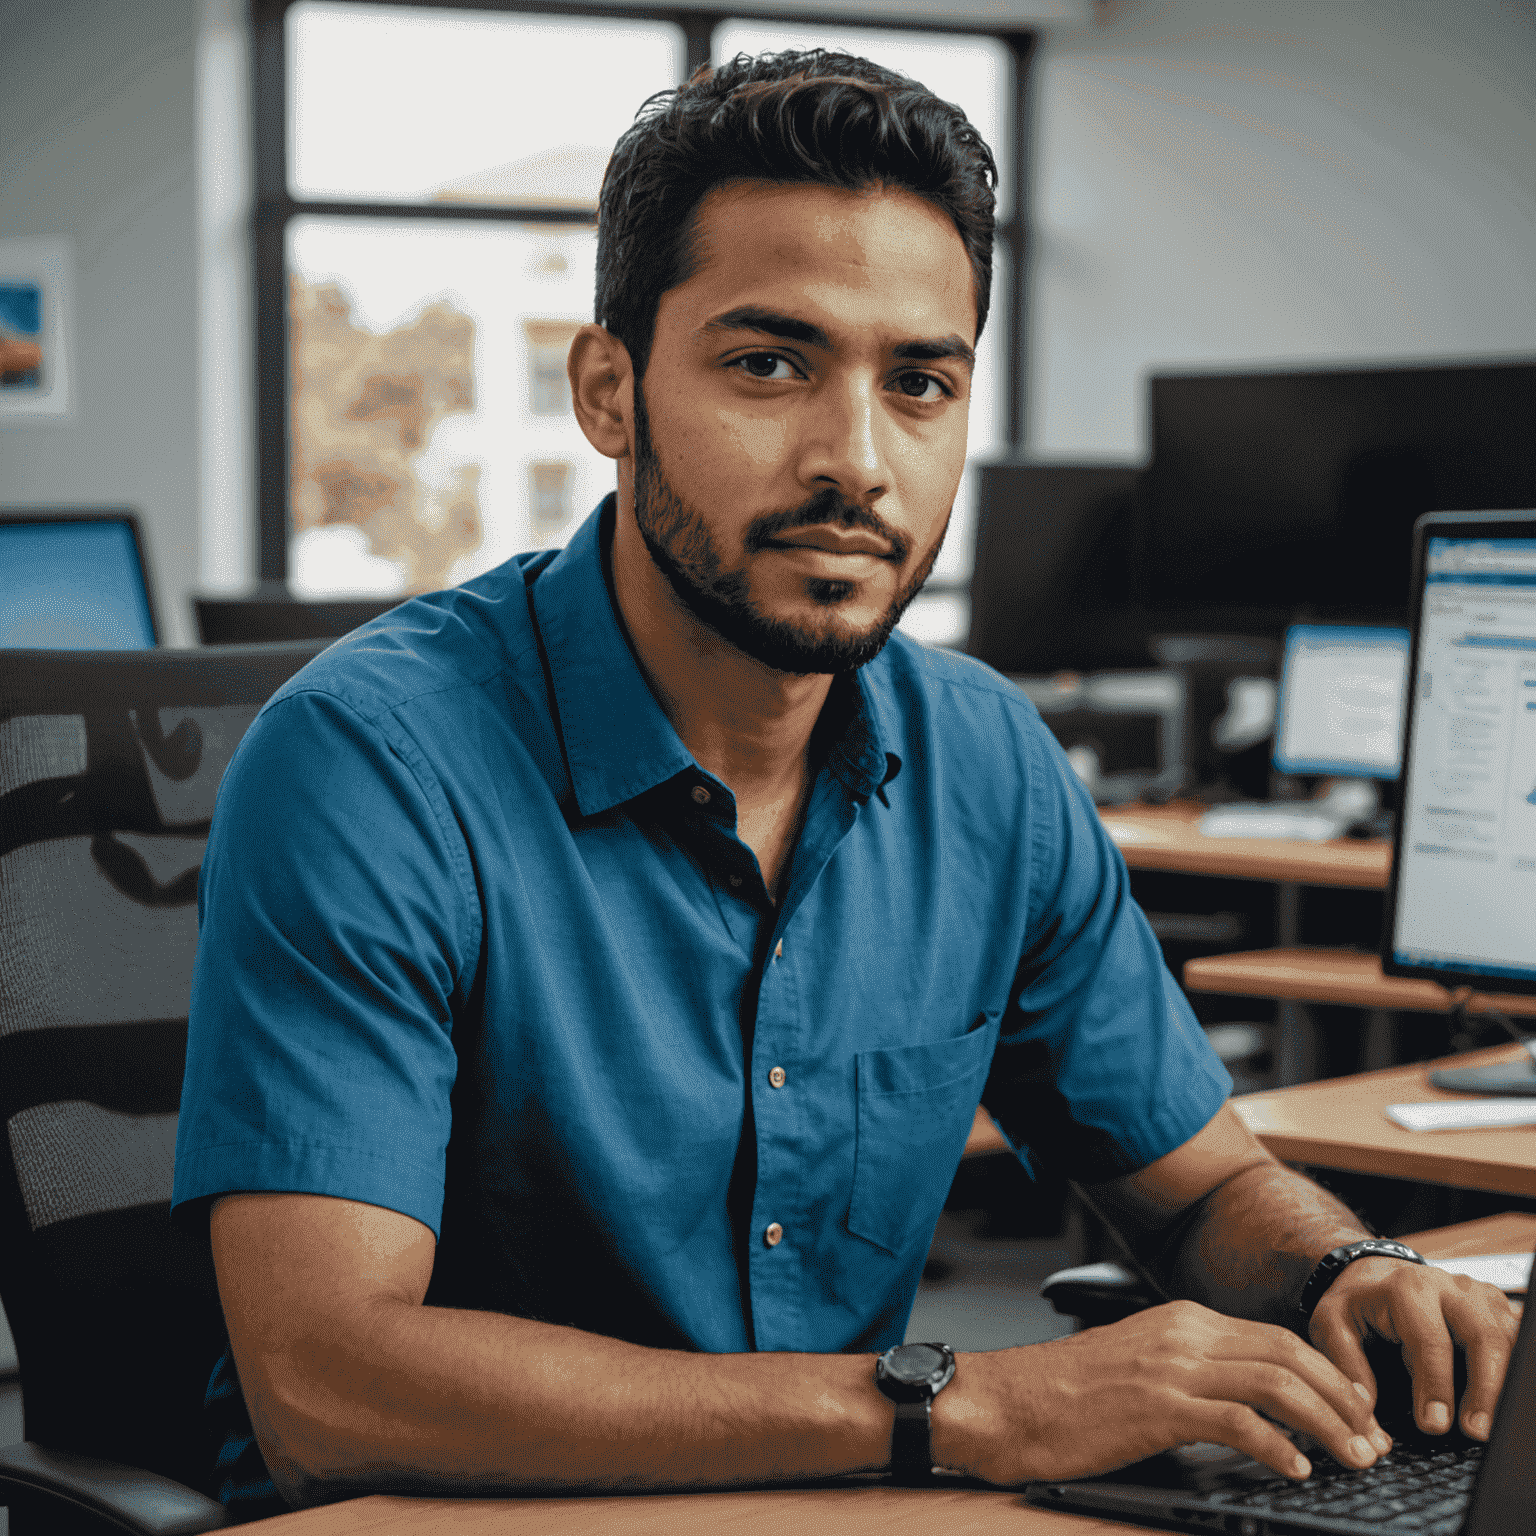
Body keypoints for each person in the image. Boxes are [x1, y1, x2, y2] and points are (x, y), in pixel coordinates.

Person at [172, 50, 1518, 1517]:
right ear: (610, 391)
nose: (857, 462)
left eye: (921, 382)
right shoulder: (372, 765)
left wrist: (1351, 1271)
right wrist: (967, 1401)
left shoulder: (987, 764)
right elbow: (327, 1385)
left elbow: (1197, 1189)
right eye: (770, 365)